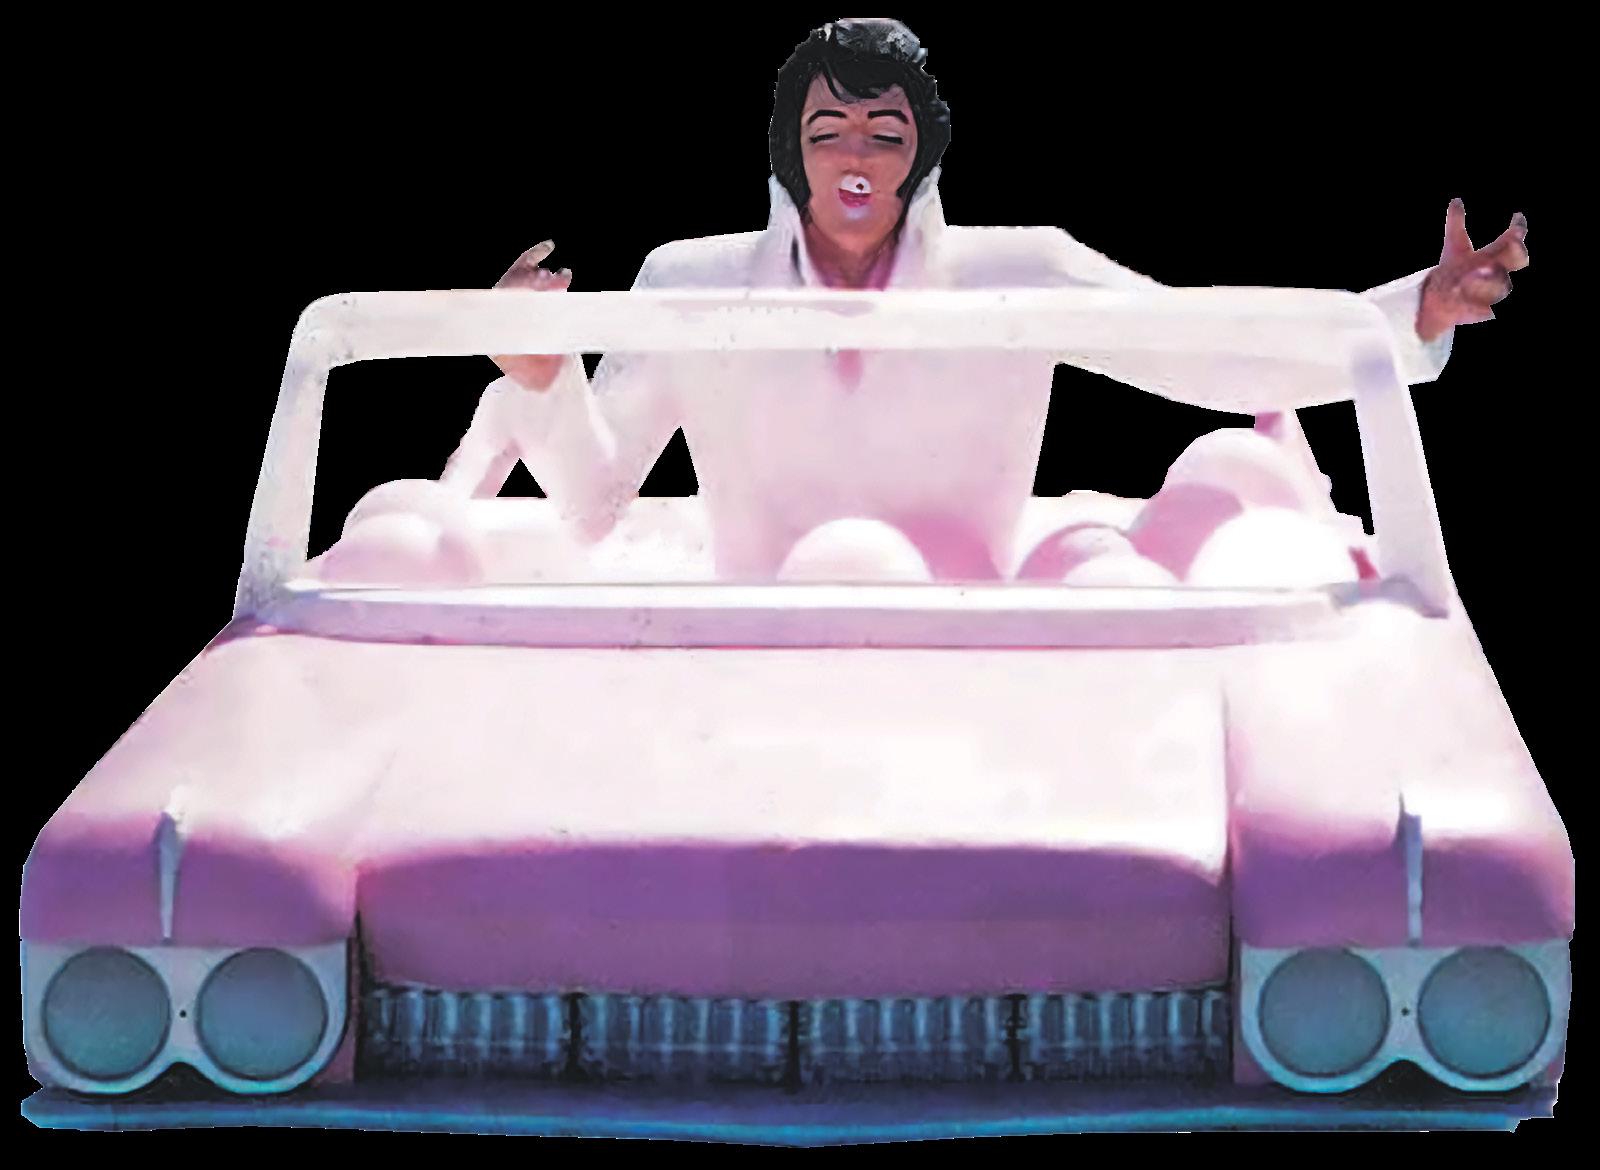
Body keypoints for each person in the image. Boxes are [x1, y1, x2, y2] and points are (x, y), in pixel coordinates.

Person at [441, 18, 1529, 581]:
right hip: (745, 658)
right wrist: (541, 376)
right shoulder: (691, 282)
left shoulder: (1025, 269)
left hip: (981, 668)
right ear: (789, 151)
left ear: (922, 152)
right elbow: (592, 506)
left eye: (884, 133)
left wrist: (1412, 313)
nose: (855, 159)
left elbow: (1210, 355)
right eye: (828, 133)